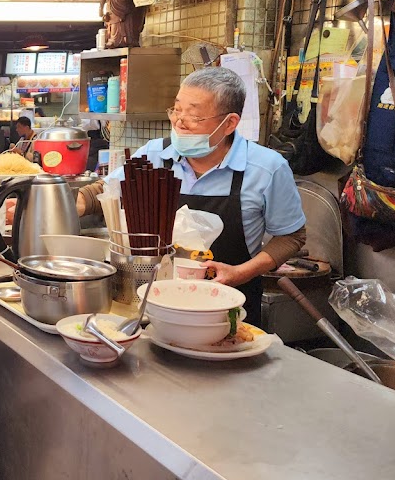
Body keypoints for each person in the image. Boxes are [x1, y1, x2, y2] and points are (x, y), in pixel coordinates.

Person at [77, 68, 306, 326]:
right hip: (156, 309)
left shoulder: (267, 168)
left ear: (229, 123)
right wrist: (59, 205)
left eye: (194, 115)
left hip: (229, 311)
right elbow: (103, 193)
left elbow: (291, 236)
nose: (179, 121)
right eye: (176, 110)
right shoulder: (156, 155)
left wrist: (241, 273)